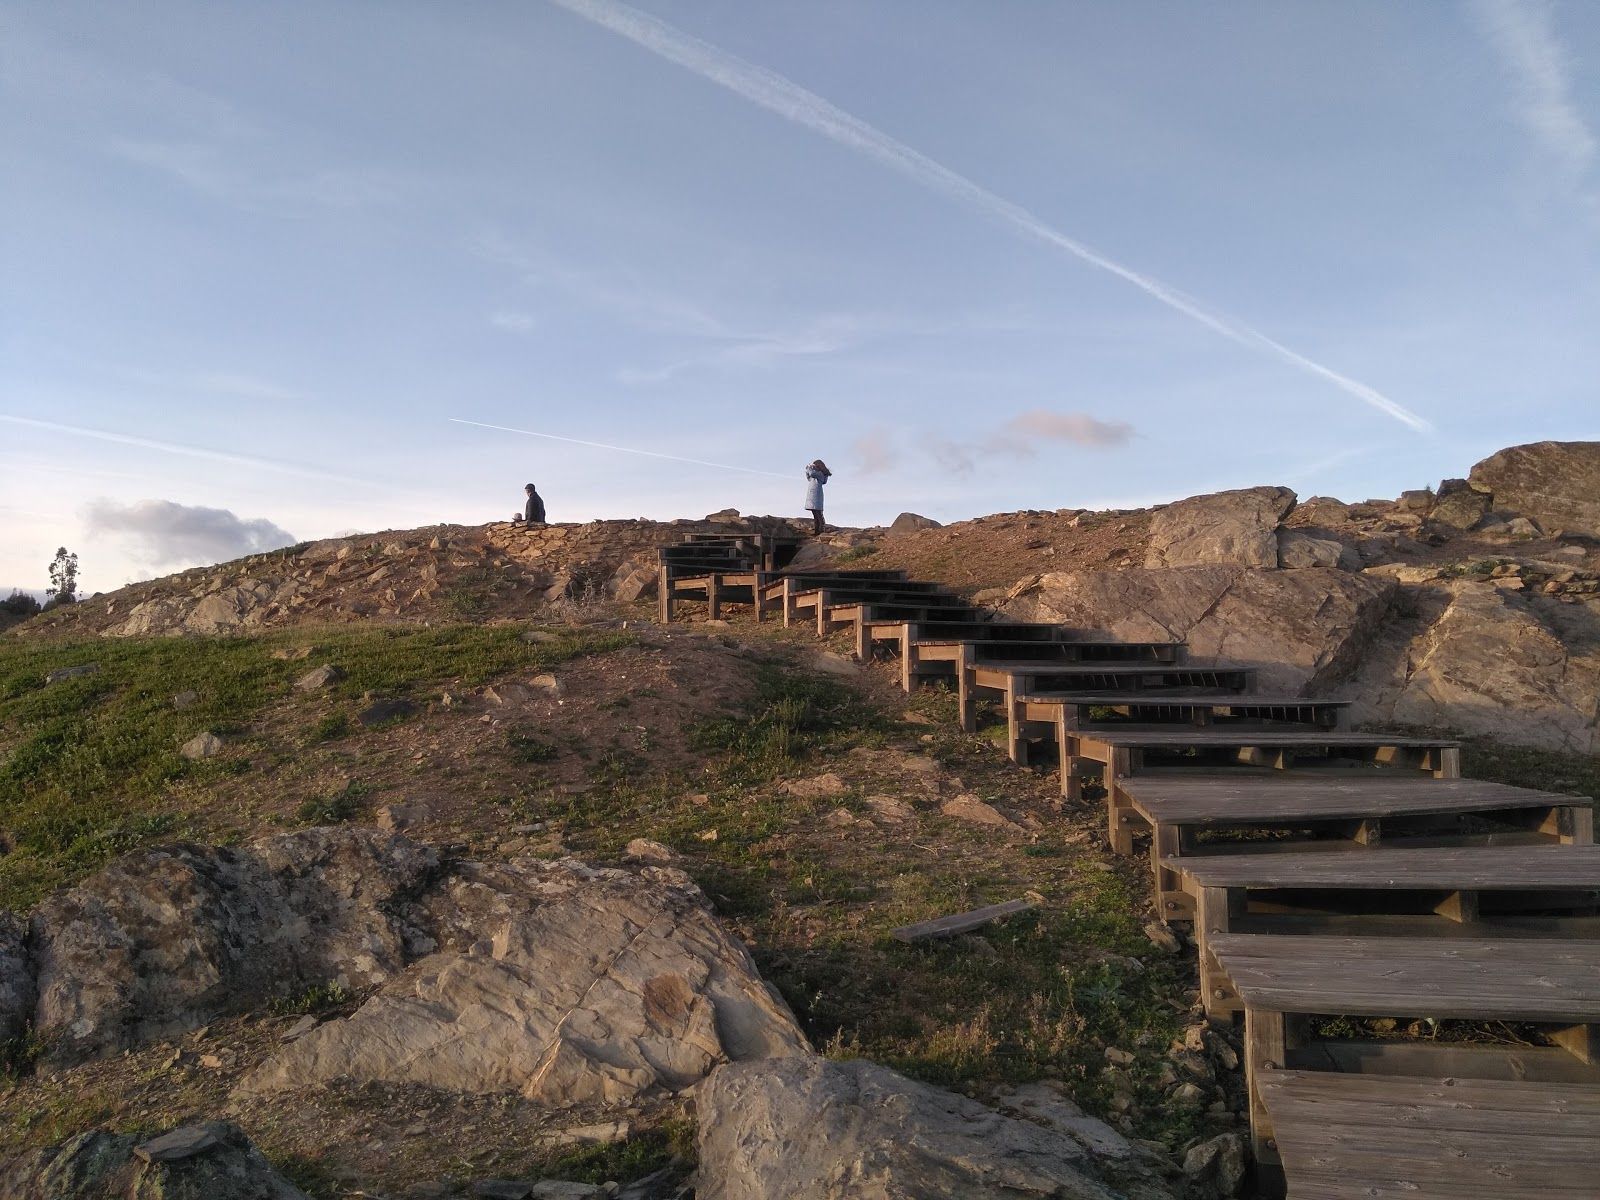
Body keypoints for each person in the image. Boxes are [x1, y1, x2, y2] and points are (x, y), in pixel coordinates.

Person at [804, 459, 831, 535]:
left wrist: (809, 468)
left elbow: (812, 474)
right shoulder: (817, 475)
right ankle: (817, 531)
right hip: (814, 495)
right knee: (816, 514)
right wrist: (807, 470)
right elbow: (809, 477)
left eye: (814, 465)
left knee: (818, 514)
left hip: (816, 495)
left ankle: (820, 530)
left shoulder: (819, 474)